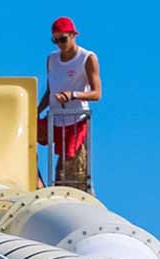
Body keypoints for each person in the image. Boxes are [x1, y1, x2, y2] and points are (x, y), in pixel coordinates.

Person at [38, 17, 101, 192]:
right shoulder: (51, 59)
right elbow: (50, 91)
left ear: (73, 35)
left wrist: (73, 95)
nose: (59, 44)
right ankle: (37, 184)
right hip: (55, 119)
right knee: (26, 136)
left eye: (63, 39)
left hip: (75, 121)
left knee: (72, 171)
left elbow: (97, 93)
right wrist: (35, 111)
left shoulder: (87, 58)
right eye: (55, 40)